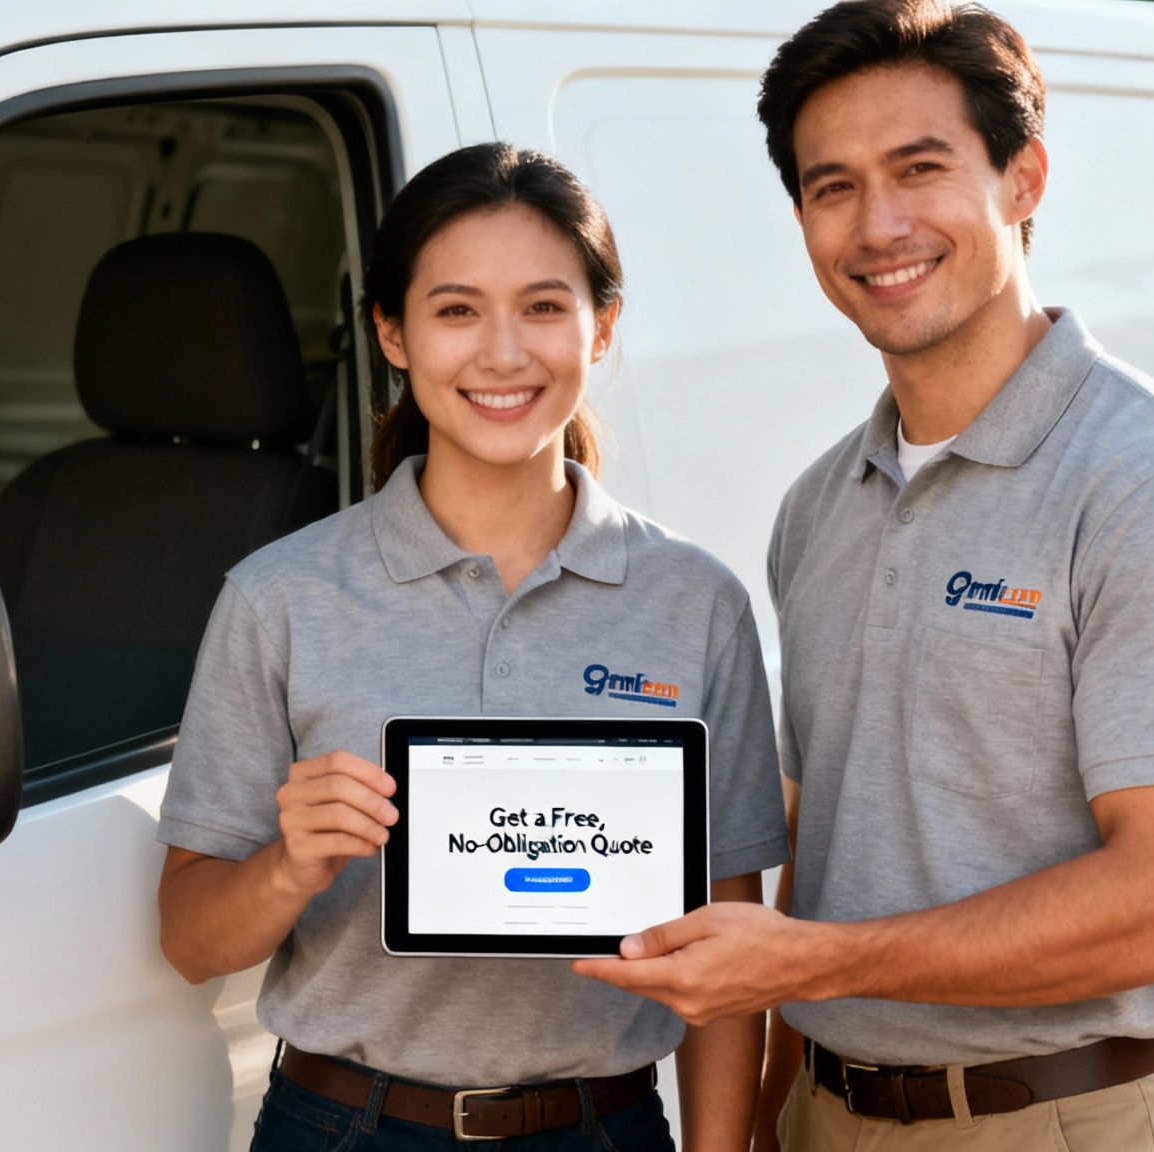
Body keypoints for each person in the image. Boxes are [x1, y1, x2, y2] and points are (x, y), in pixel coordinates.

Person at [573, 2, 1154, 1149]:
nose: (877, 225)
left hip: (1063, 1118)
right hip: (828, 1114)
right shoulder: (819, 506)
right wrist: (769, 1109)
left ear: (1023, 179)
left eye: (918, 169)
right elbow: (819, 842)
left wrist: (816, 962)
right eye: (831, 188)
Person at [154, 142, 791, 1151]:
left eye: (543, 307)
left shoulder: (693, 602)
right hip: (343, 1126)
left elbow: (727, 956)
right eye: (455, 310)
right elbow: (190, 943)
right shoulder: (281, 597)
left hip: (605, 1127)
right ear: (392, 334)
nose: (502, 354)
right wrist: (291, 865)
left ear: (602, 327)